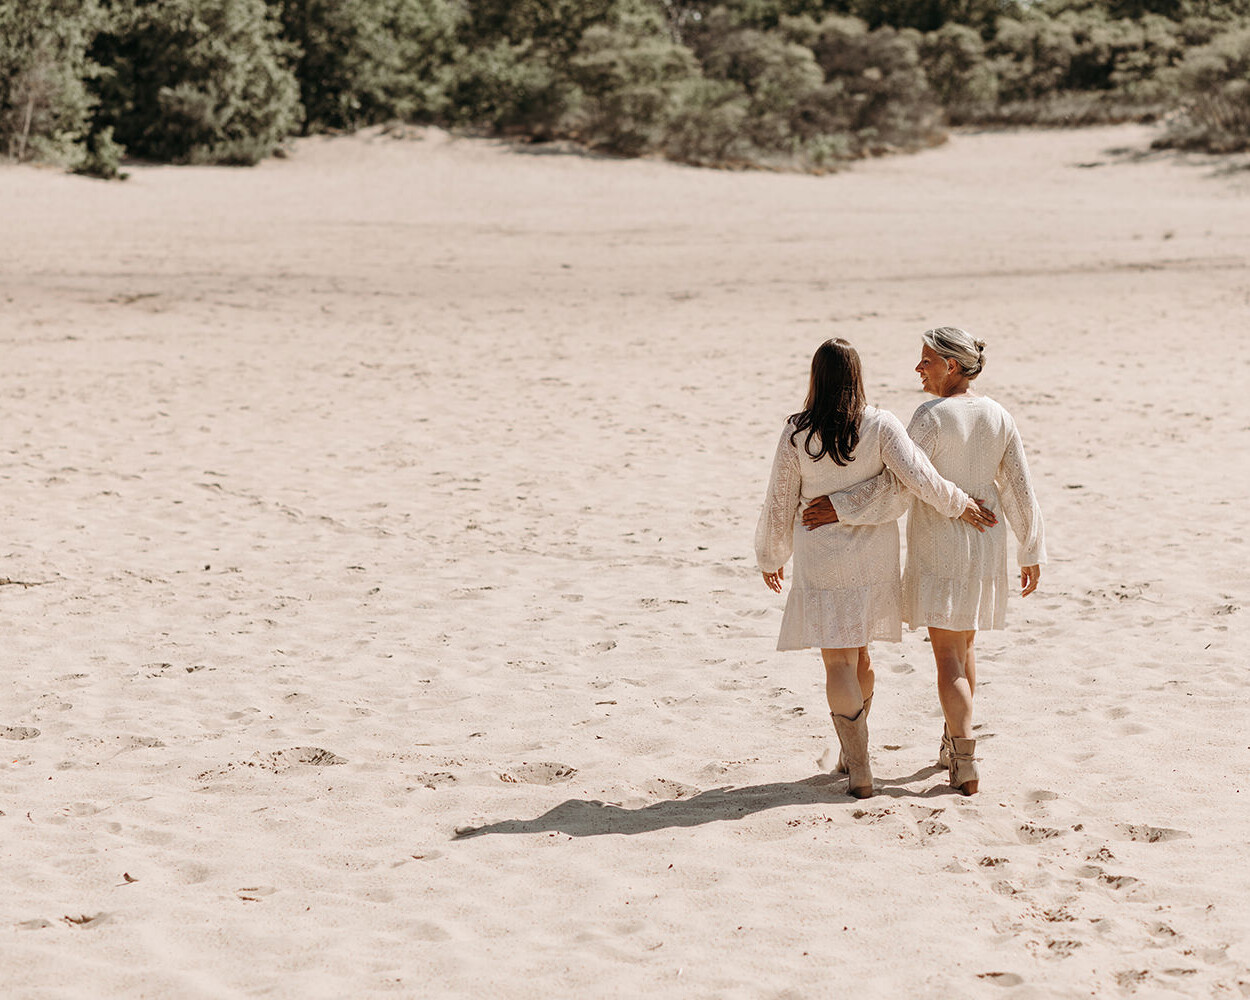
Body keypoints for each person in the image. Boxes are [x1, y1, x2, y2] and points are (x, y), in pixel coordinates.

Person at [802, 327, 1046, 795]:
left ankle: (966, 760)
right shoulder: (998, 414)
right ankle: (953, 747)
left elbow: (899, 481)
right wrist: (1031, 546)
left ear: (951, 366)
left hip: (943, 540)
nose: (919, 369)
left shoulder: (931, 417)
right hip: (987, 540)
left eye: (926, 361)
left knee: (948, 656)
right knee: (966, 648)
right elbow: (1019, 486)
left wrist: (842, 505)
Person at [755, 338, 996, 799]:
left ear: (816, 379)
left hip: (820, 555)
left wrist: (772, 555)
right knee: (861, 656)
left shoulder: (796, 432)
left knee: (839, 660)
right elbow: (920, 478)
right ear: (857, 378)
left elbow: (779, 500)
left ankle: (859, 766)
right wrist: (961, 504)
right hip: (873, 556)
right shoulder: (881, 424)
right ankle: (857, 757)